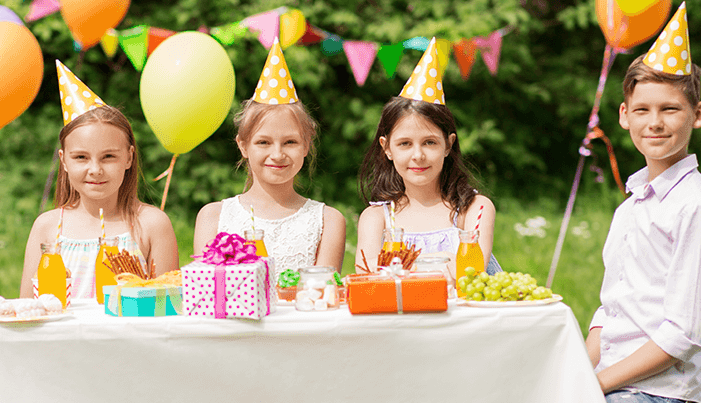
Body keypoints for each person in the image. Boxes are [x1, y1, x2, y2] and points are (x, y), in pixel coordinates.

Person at [584, 4, 701, 403]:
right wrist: (576, 371)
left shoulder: (698, 209)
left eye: (670, 109)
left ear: (698, 114)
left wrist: (596, 385)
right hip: (614, 381)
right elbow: (608, 313)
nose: (655, 122)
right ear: (624, 115)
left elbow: (681, 336)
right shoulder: (630, 207)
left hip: (666, 398)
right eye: (643, 109)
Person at [19, 61, 179, 300]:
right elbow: (28, 310)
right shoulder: (47, 227)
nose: (95, 169)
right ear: (64, 160)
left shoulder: (152, 225)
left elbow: (169, 310)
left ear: (128, 157)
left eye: (108, 157)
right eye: (81, 157)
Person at [194, 43, 346, 276]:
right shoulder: (213, 217)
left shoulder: (328, 222)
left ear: (306, 145)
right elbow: (209, 293)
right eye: (263, 142)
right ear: (243, 146)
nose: (277, 154)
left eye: (290, 142)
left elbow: (321, 295)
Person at [355, 38, 498, 274]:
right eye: (404, 144)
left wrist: (398, 266)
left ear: (448, 145)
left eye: (429, 142)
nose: (418, 155)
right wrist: (443, 259)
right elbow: (367, 276)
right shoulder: (376, 218)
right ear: (387, 148)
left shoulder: (474, 209)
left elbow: (470, 270)